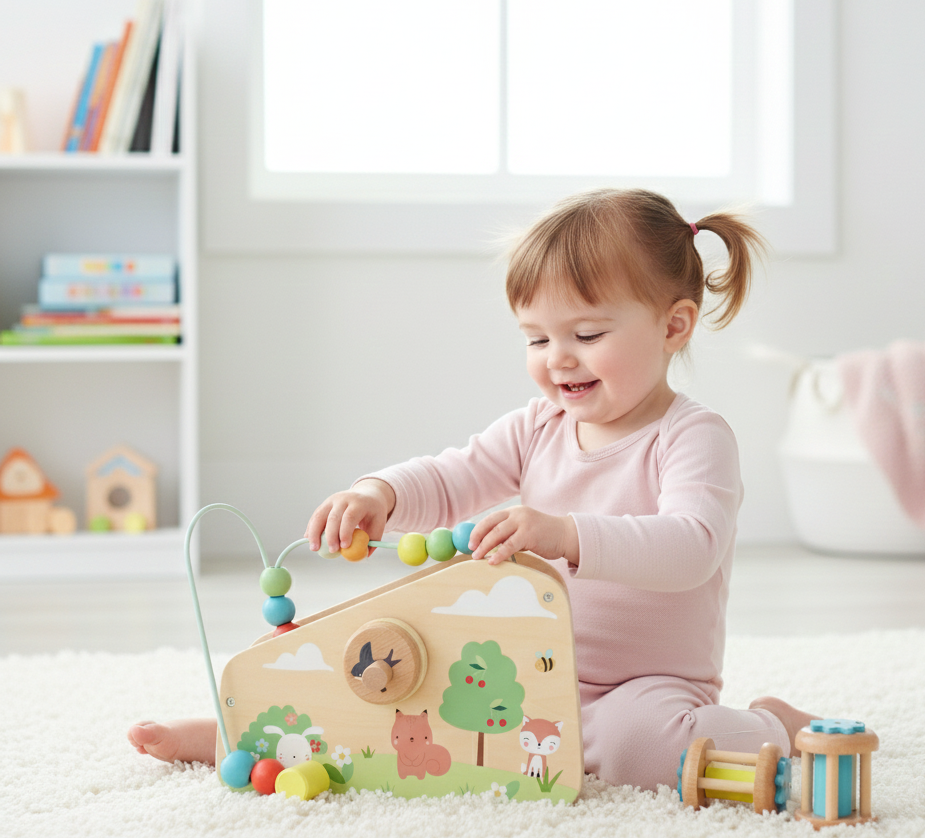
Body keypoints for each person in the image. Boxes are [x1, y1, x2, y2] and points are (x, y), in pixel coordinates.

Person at [129, 188, 814, 789]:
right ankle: (246, 736)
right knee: (418, 697)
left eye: (586, 333)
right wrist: (380, 494)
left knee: (638, 746)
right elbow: (453, 474)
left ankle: (770, 725)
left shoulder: (692, 436)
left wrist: (564, 534)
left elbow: (691, 547)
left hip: (643, 688)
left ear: (673, 325)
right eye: (536, 339)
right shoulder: (538, 427)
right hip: (526, 665)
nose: (558, 358)